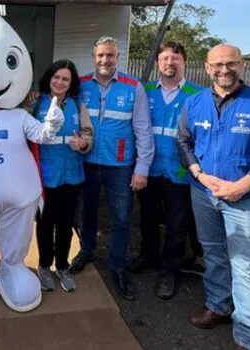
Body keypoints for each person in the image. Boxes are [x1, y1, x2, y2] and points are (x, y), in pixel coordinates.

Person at [177, 44, 250, 350]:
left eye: (230, 63)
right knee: (214, 253)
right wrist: (199, 174)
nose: (224, 69)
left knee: (246, 267)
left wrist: (243, 185)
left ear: (241, 65)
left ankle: (248, 338)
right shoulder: (194, 102)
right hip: (205, 194)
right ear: (207, 68)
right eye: (217, 64)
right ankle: (218, 305)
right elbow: (183, 141)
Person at [68, 36, 154, 301]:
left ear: (118, 57)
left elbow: (143, 130)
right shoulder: (80, 85)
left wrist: (142, 168)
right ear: (93, 57)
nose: (105, 60)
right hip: (88, 163)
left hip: (120, 166)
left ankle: (118, 267)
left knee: (121, 219)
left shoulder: (132, 87)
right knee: (87, 212)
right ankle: (87, 250)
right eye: (100, 56)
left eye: (110, 55)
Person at [129, 41, 202, 300]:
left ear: (184, 62)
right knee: (147, 217)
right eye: (165, 59)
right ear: (158, 62)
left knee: (176, 224)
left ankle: (169, 270)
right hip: (148, 168)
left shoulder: (197, 94)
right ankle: (149, 256)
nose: (170, 63)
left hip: (180, 172)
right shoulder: (145, 91)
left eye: (175, 58)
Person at [31, 60, 94, 292]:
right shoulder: (36, 103)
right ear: (50, 78)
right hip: (45, 177)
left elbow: (88, 134)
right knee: (45, 224)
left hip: (71, 176)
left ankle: (62, 265)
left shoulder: (78, 106)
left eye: (65, 79)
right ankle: (44, 266)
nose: (60, 82)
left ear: (71, 83)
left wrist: (84, 143)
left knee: (66, 225)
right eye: (56, 77)